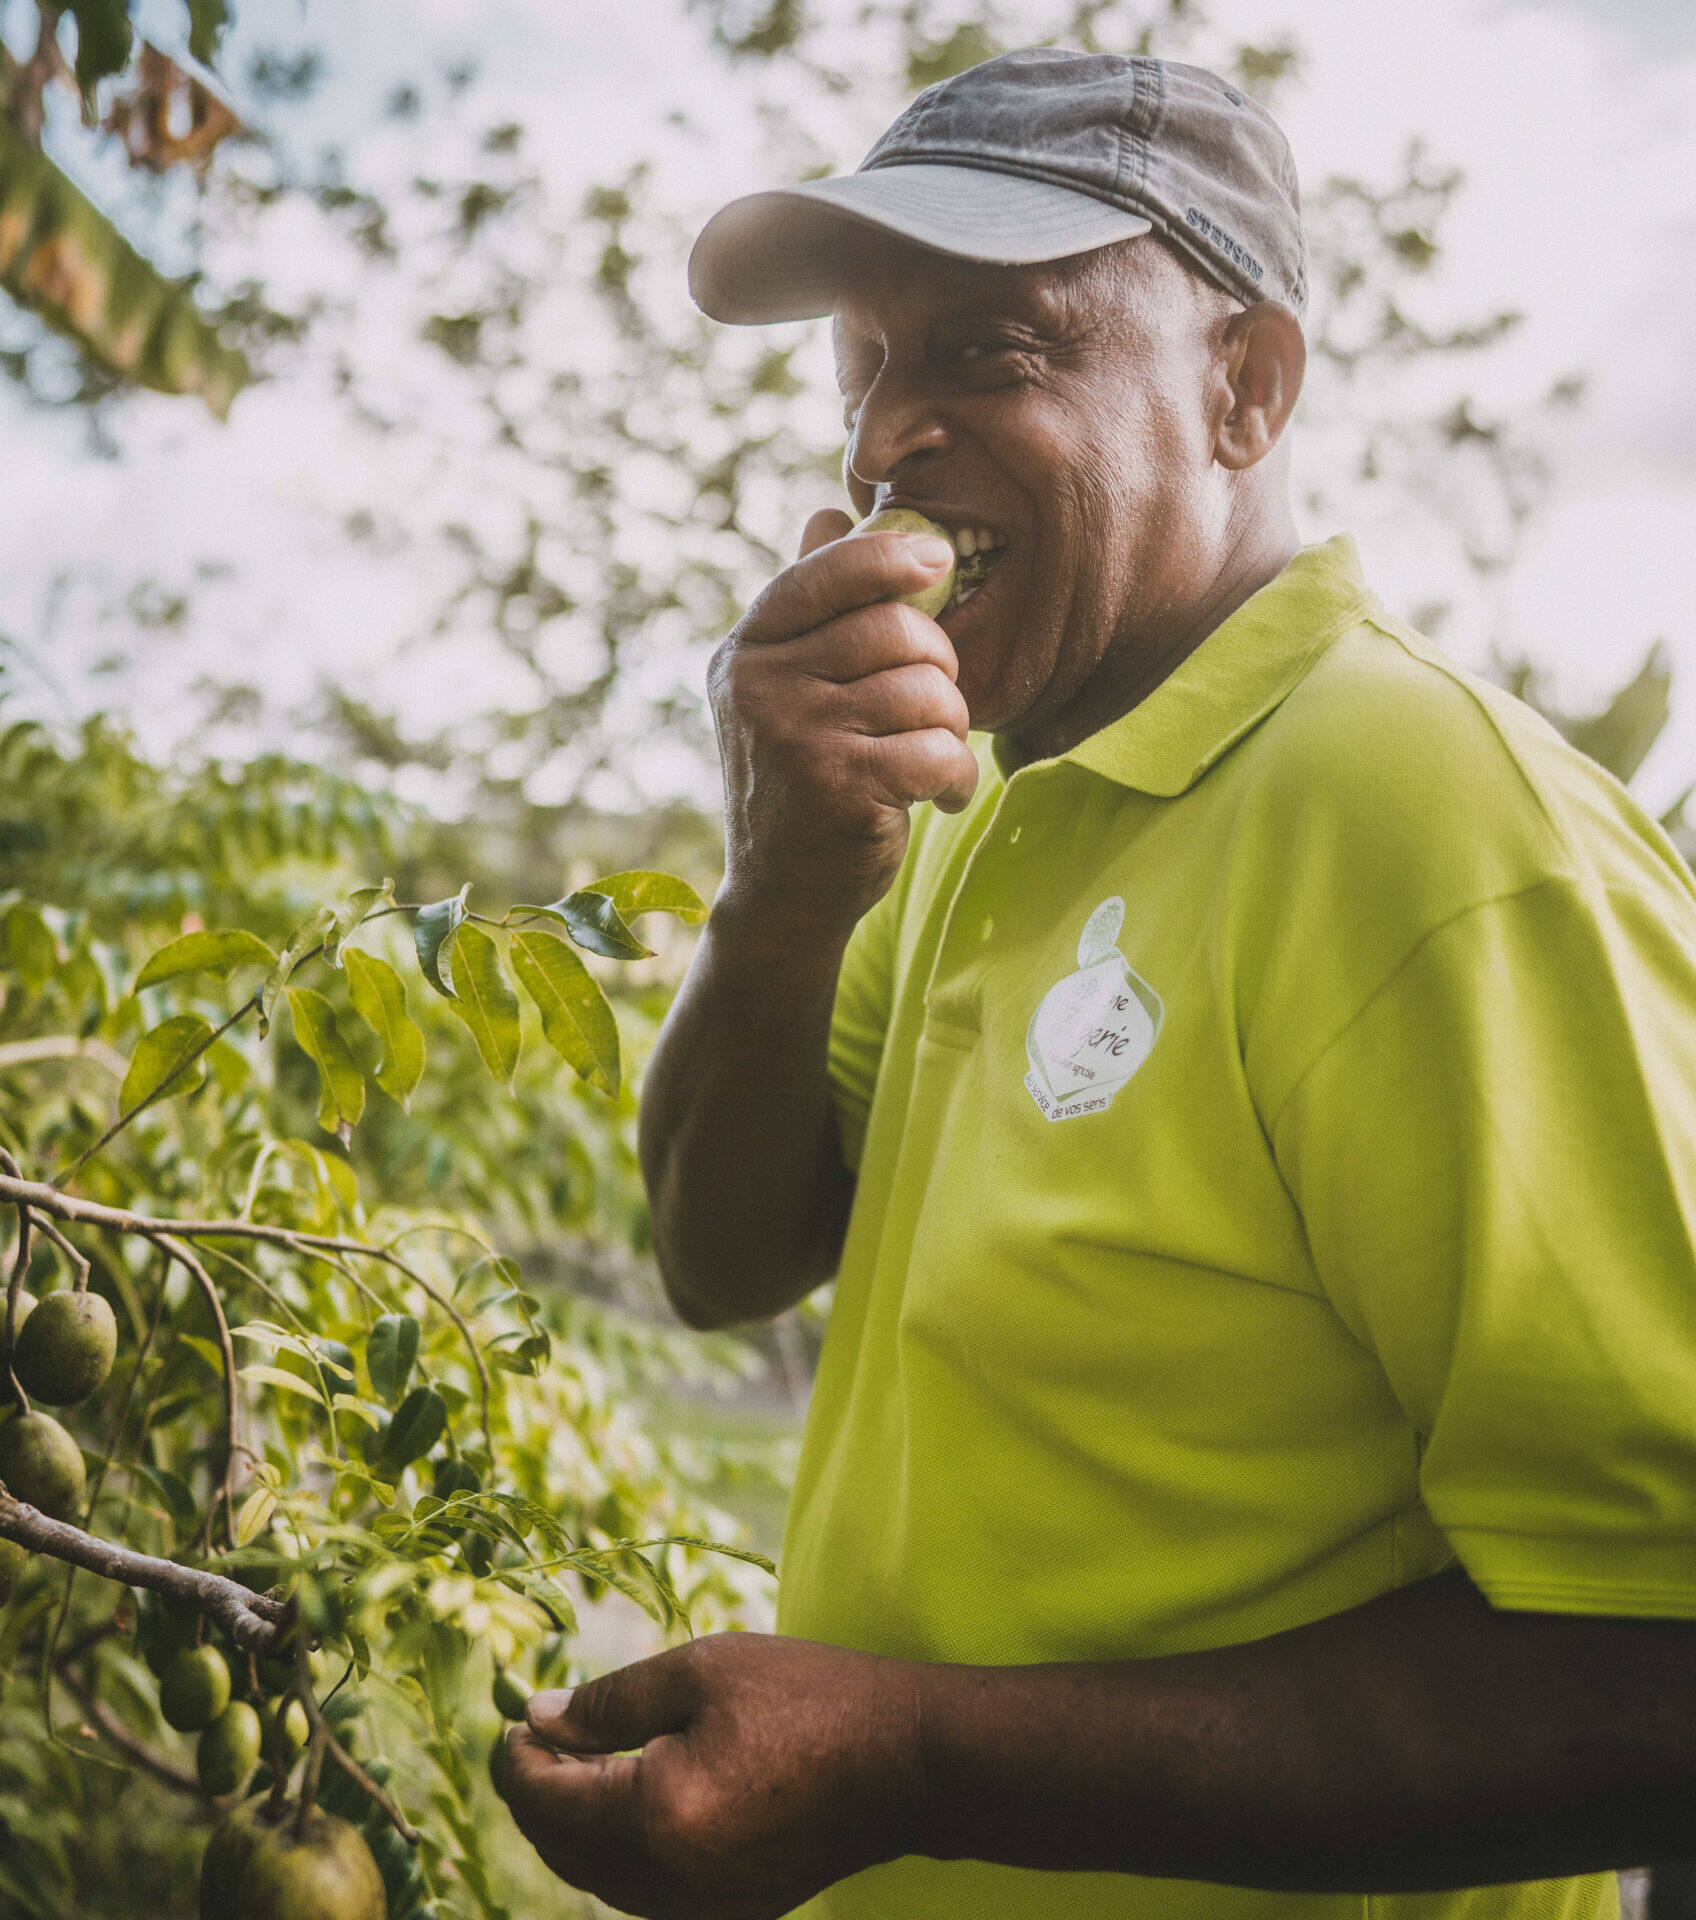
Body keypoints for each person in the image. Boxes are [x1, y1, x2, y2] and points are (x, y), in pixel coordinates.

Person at [499, 48, 1696, 1920]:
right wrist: (789, 881)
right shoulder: (983, 793)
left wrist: (907, 1757)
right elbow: (719, 1255)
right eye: (865, 369)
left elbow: (1659, 1677)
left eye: (989, 350)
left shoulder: (1438, 833)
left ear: (1246, 388)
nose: (882, 436)